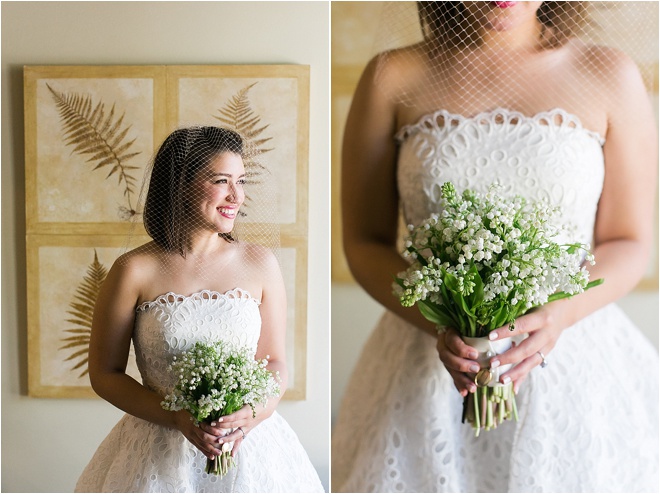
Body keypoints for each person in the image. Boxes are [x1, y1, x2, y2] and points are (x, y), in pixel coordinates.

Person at [332, 2, 658, 492]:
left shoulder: (609, 73)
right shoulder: (393, 75)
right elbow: (365, 241)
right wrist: (442, 320)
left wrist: (560, 315)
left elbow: (629, 241)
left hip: (574, 358)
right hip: (426, 364)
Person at [75, 126, 324, 492]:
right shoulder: (133, 270)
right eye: (221, 180)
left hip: (250, 449)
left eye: (241, 181)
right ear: (180, 185)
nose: (236, 196)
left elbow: (274, 363)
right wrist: (176, 418)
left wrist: (253, 413)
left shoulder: (261, 263)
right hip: (156, 457)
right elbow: (105, 374)